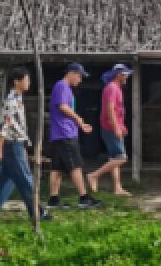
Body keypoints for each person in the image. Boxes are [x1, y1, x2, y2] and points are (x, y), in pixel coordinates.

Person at [0, 66, 50, 224]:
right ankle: (37, 212)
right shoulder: (11, 101)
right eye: (26, 79)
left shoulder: (18, 98)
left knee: (6, 178)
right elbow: (3, 126)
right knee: (26, 179)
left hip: (16, 144)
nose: (28, 82)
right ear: (16, 82)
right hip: (12, 145)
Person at [47, 62, 102, 209]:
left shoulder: (63, 87)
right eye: (79, 75)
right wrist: (79, 120)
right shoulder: (62, 86)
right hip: (65, 133)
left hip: (59, 133)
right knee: (75, 165)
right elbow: (63, 106)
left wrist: (80, 124)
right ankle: (84, 198)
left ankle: (53, 199)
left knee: (57, 168)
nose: (80, 79)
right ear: (71, 73)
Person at [88, 63, 133, 196]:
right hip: (110, 127)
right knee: (121, 158)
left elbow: (117, 111)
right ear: (119, 74)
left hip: (112, 126)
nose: (127, 77)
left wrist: (121, 125)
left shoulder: (115, 88)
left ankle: (117, 188)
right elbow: (110, 110)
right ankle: (94, 175)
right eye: (125, 74)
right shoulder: (112, 88)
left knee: (114, 158)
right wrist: (116, 127)